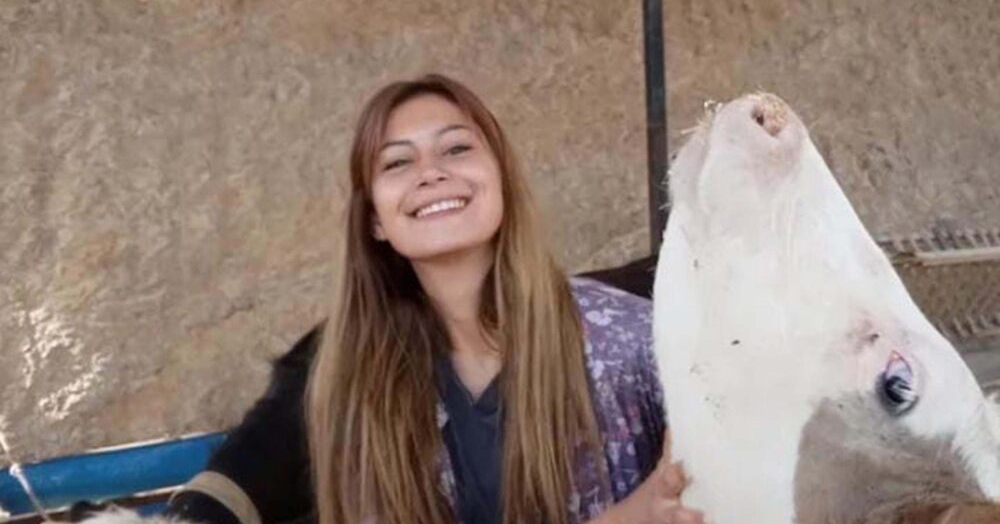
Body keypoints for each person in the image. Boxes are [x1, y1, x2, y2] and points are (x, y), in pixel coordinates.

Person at [82, 74, 700, 524]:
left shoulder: (635, 341)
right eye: (397, 163)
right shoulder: (357, 385)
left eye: (457, 148)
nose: (431, 172)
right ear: (375, 219)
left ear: (503, 181)